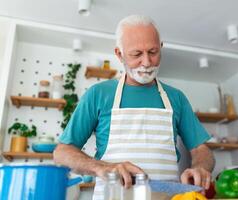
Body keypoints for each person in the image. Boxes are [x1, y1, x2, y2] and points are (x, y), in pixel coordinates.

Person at [54, 14, 215, 200]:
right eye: (136, 54)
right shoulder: (98, 94)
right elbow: (62, 152)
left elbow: (201, 150)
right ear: (119, 54)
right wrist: (102, 168)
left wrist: (200, 168)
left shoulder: (176, 97)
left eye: (153, 52)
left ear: (161, 48)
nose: (146, 63)